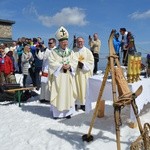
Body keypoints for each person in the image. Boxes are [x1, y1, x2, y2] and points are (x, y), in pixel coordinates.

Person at [48, 26, 78, 119]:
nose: (65, 43)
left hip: (68, 76)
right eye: (63, 41)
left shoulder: (70, 52)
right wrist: (61, 66)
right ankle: (57, 114)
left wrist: (70, 66)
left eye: (66, 41)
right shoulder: (54, 52)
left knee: (68, 94)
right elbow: (51, 62)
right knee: (59, 93)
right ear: (59, 42)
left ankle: (67, 113)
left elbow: (75, 61)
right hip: (58, 77)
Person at [73, 37, 94, 111]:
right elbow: (70, 60)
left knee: (84, 88)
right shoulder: (73, 51)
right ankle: (75, 103)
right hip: (75, 73)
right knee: (75, 88)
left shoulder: (87, 51)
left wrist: (82, 65)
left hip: (84, 74)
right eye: (78, 41)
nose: (80, 43)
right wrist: (75, 65)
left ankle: (83, 104)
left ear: (84, 42)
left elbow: (91, 62)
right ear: (76, 42)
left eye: (81, 41)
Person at [36, 38, 56, 103]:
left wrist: (45, 49)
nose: (49, 44)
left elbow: (51, 56)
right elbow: (41, 57)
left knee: (49, 84)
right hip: (45, 69)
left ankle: (48, 98)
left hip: (51, 69)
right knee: (43, 83)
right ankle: (43, 97)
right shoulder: (47, 50)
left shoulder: (56, 50)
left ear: (54, 43)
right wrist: (38, 50)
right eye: (49, 43)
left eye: (51, 43)